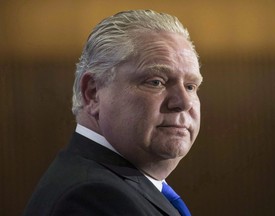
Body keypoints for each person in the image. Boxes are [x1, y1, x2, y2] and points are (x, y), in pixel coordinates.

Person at [23, 9, 203, 216]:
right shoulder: (94, 197)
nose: (183, 102)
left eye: (190, 86)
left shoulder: (113, 185)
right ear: (93, 93)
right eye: (156, 82)